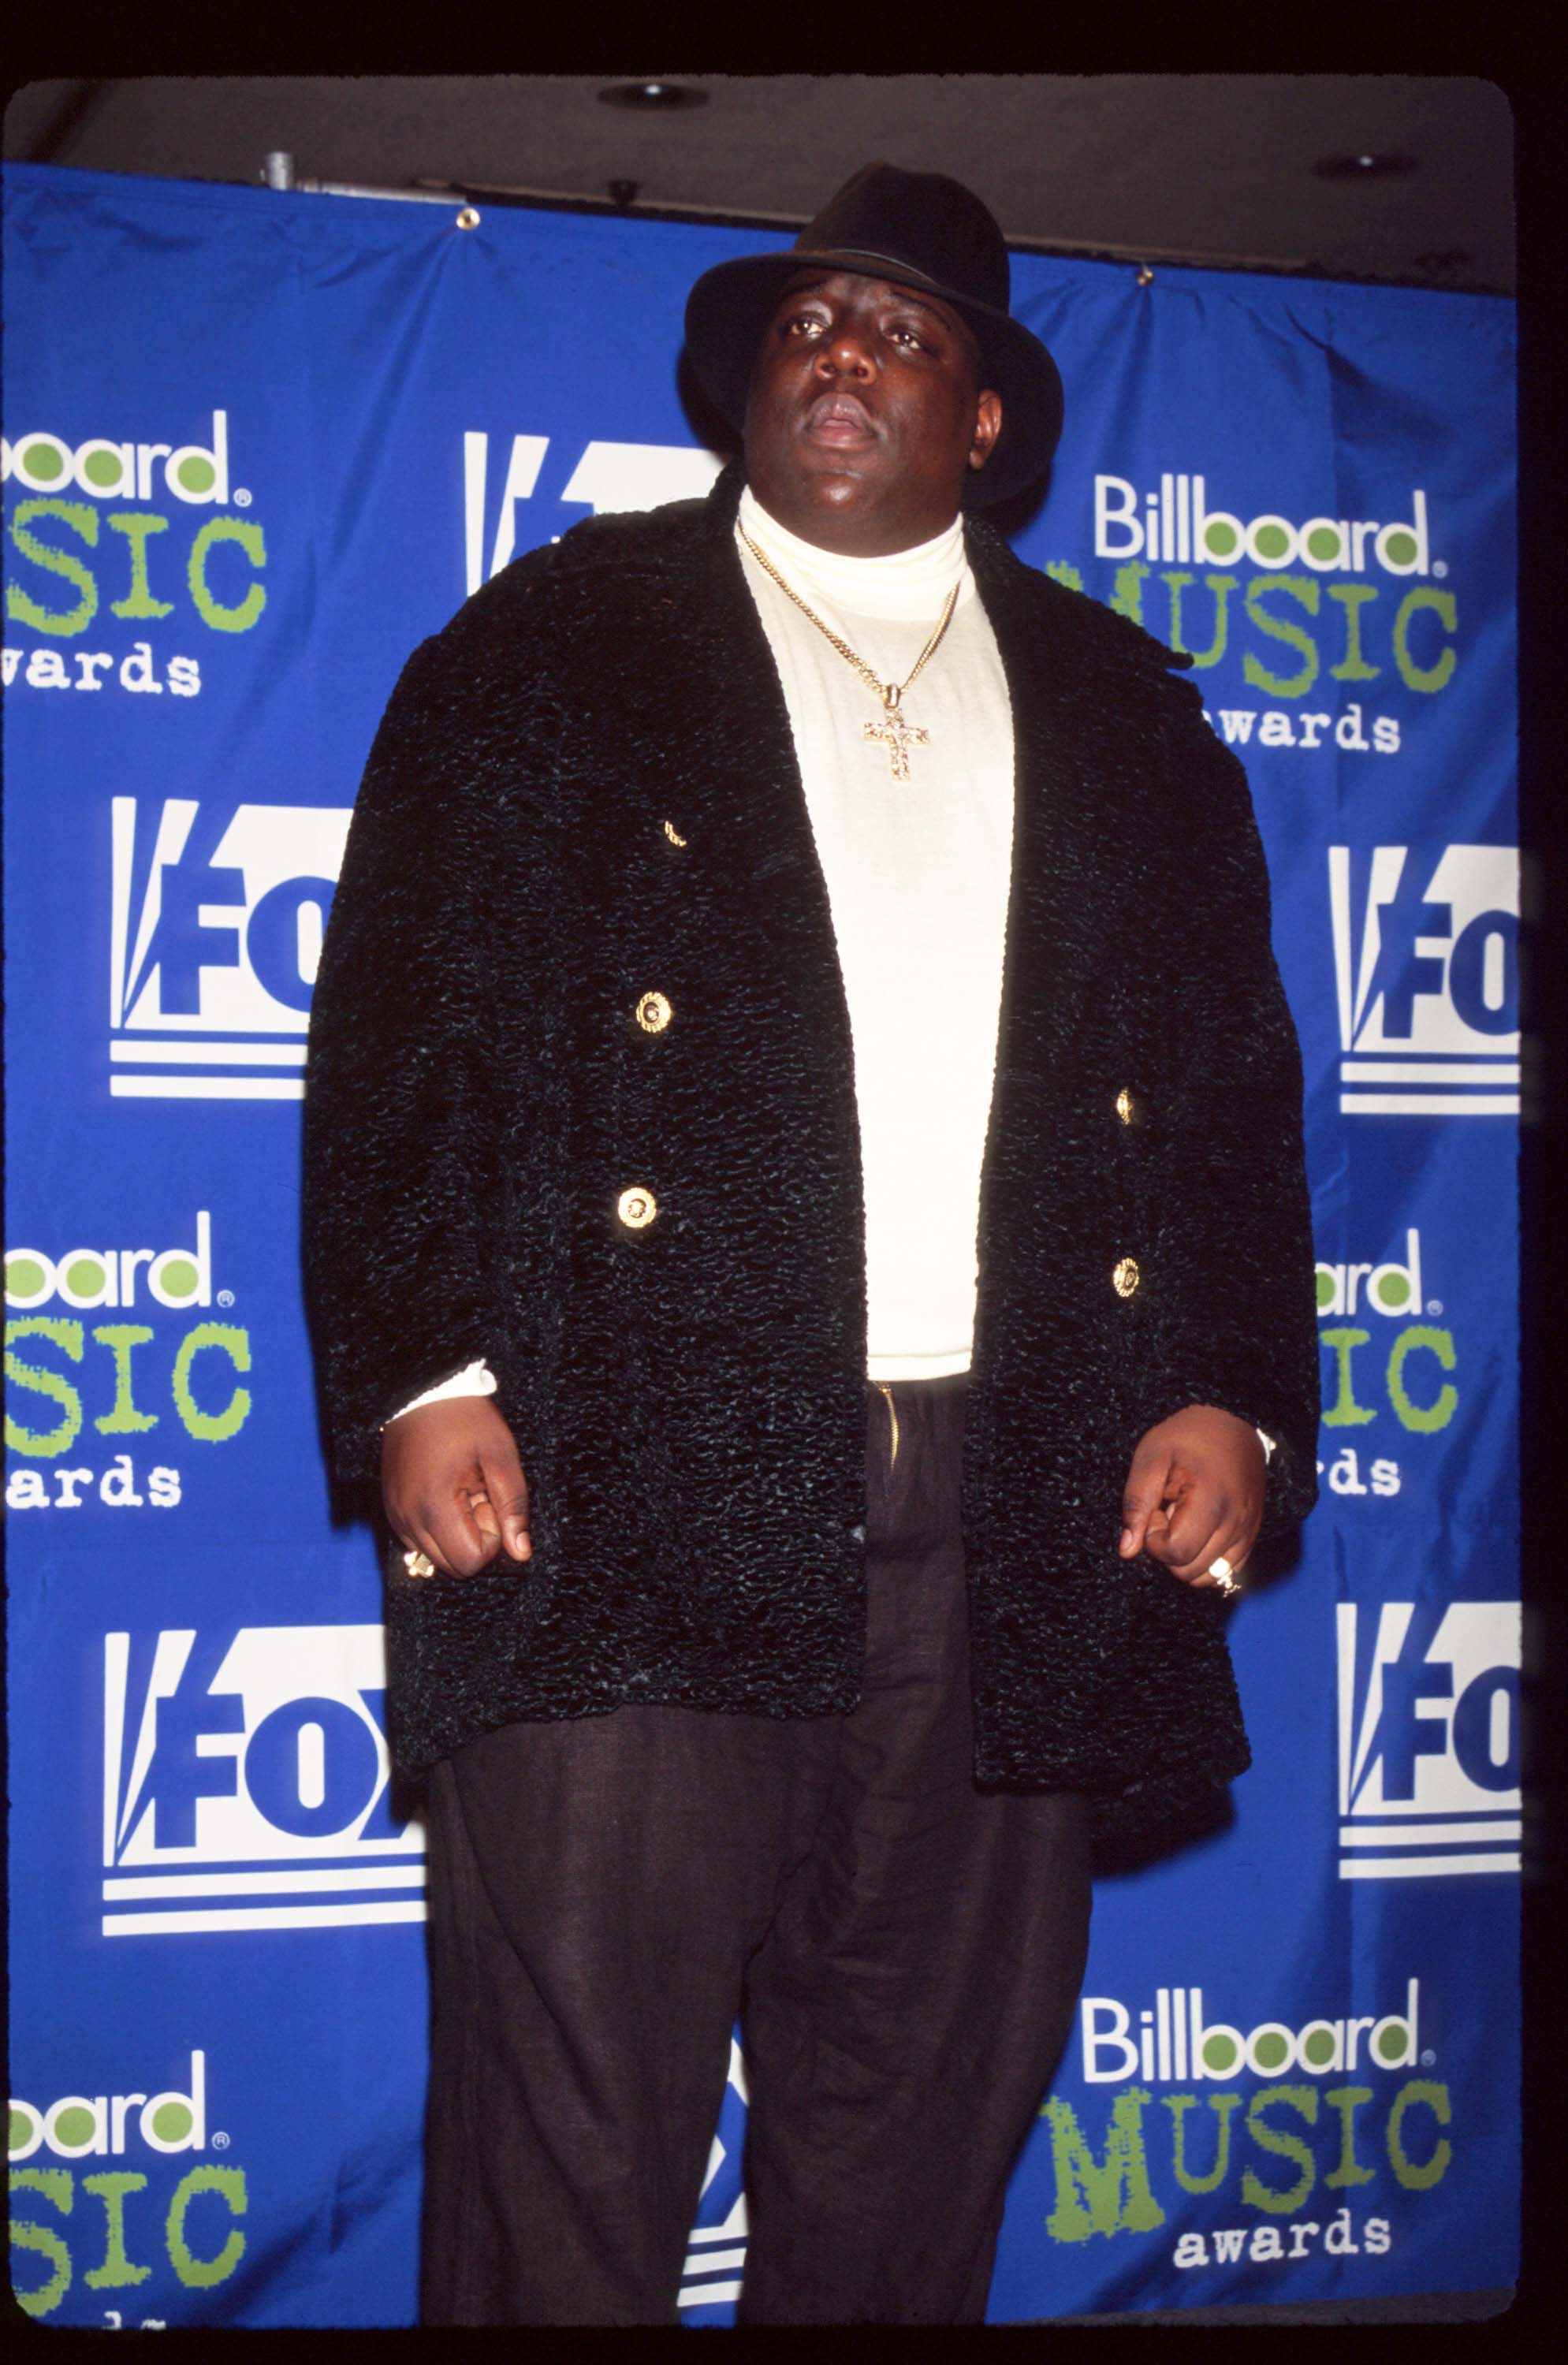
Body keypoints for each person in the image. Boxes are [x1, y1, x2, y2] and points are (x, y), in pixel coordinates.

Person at [301, 161, 1319, 2326]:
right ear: (754, 381)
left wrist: (1233, 1378)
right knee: (570, 2131)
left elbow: (1233, 1084)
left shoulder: (1132, 709)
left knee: (918, 2131)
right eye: (812, 319)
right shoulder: (556, 641)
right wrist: (417, 1367)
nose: (847, 349)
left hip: (1025, 1488)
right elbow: (401, 1032)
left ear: (984, 427)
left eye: (907, 330)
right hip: (622, 1473)